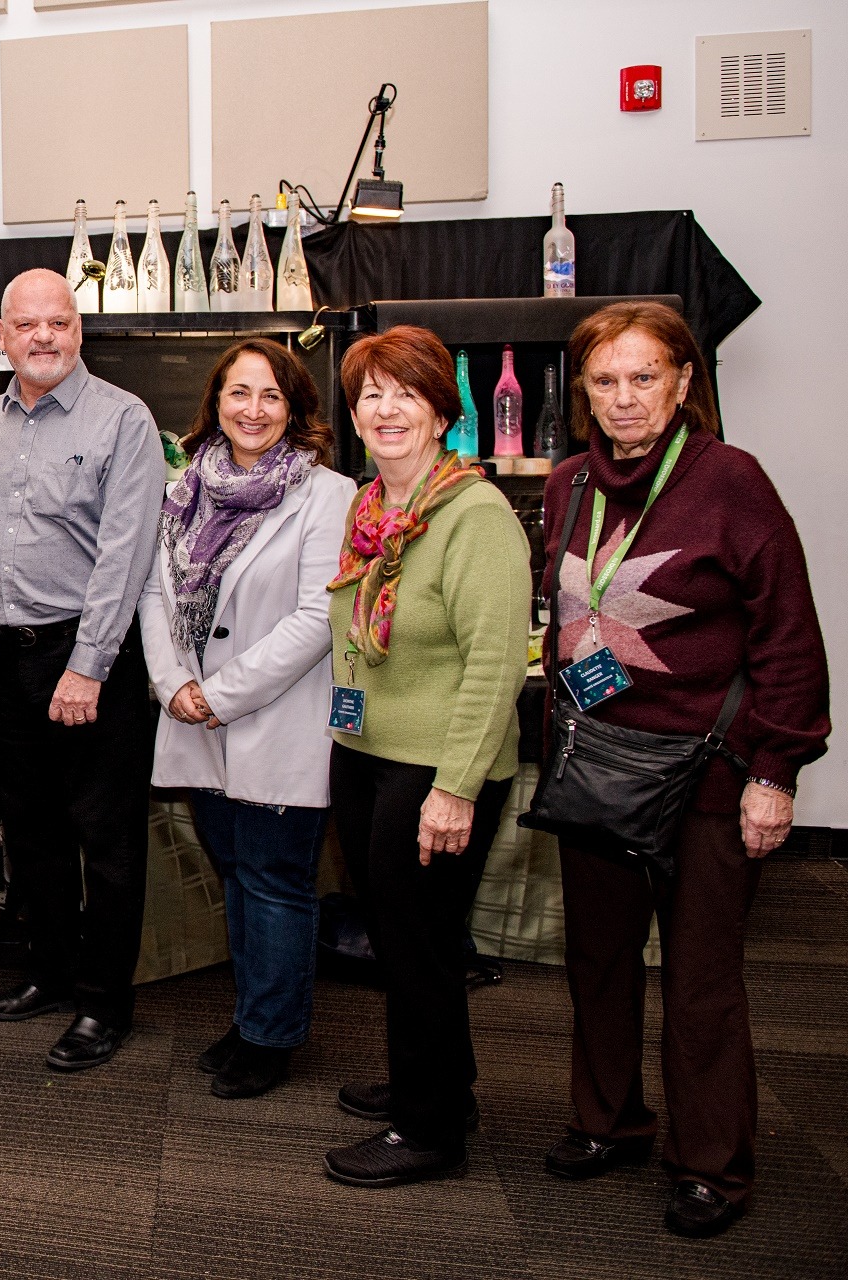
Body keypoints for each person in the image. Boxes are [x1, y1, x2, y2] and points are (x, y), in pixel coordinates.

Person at [539, 302, 829, 1238]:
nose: (624, 398)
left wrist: (775, 771)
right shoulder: (570, 481)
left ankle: (712, 1167)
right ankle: (607, 1120)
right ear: (581, 392)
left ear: (683, 382)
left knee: (702, 979)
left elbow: (790, 637)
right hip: (600, 768)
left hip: (708, 775)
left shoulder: (731, 481)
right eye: (604, 381)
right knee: (597, 961)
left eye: (643, 377)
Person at [320, 325, 530, 1188]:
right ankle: (439, 1084)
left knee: (416, 945)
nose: (386, 408)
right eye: (371, 393)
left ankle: (430, 1130)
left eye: (405, 391)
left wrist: (454, 789)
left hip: (436, 769)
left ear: (443, 409)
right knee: (411, 938)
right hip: (369, 752)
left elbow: (495, 664)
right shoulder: (371, 511)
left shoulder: (475, 514)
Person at [138, 339, 354, 1099]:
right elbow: (155, 594)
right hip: (196, 718)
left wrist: (218, 694)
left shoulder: (327, 494)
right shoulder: (183, 489)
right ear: (215, 404)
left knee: (275, 882)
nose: (252, 410)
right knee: (236, 875)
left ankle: (271, 1035)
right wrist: (173, 685)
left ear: (295, 409)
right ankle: (250, 1016)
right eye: (238, 394)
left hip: (273, 717)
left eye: (270, 396)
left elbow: (317, 618)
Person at [0, 268, 165, 1072]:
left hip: (92, 658)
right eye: (27, 325)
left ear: (78, 330)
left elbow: (126, 554)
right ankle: (47, 973)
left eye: (59, 323)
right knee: (33, 832)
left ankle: (103, 1002)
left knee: (106, 839)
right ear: (4, 333)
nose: (44, 337)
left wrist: (86, 667)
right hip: (7, 658)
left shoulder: (125, 420)